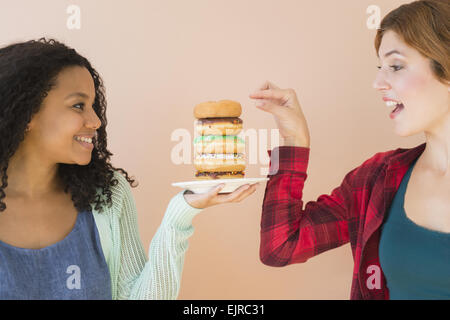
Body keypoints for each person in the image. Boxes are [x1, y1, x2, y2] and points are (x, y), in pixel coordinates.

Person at [0, 38, 259, 300]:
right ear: (27, 113)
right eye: (78, 105)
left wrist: (180, 213)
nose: (96, 121)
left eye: (93, 106)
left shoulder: (106, 195)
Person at [250, 0, 449, 300]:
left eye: (395, 66)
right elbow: (280, 247)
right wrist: (294, 142)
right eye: (380, 68)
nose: (378, 82)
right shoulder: (377, 179)